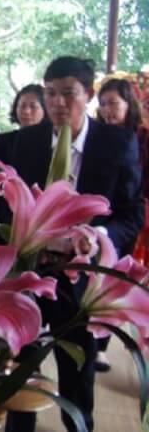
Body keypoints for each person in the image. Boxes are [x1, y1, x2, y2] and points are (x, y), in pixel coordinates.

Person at [0, 56, 144, 432]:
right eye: (50, 93)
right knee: (20, 353)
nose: (57, 103)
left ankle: (79, 423)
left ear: (88, 95)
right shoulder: (26, 142)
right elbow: (4, 206)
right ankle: (18, 424)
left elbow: (131, 213)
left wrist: (99, 237)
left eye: (68, 94)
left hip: (81, 273)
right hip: (30, 266)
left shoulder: (117, 143)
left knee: (77, 362)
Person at [94, 77, 147, 371]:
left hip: (130, 220)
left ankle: (101, 345)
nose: (107, 111)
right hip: (101, 219)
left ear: (129, 104)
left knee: (116, 282)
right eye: (102, 104)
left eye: (113, 103)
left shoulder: (143, 138)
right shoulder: (95, 136)